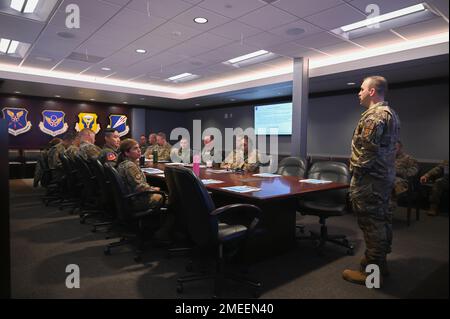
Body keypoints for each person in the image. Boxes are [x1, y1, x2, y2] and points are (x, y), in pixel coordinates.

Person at [343, 76, 400, 286]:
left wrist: (355, 173)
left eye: (361, 89)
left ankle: (371, 275)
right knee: (382, 221)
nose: (359, 92)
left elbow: (367, 152)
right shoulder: (391, 114)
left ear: (372, 92)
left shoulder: (374, 117)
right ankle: (379, 265)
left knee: (372, 226)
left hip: (369, 181)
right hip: (383, 178)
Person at [117, 139, 164, 212]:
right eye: (135, 148)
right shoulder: (130, 166)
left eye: (138, 147)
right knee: (168, 197)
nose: (139, 150)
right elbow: (140, 187)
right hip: (137, 201)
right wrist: (153, 189)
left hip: (129, 198)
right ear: (126, 153)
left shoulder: (124, 163)